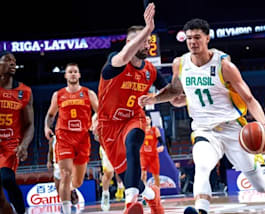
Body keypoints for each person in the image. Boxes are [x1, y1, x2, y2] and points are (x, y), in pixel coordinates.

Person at [139, 18, 265, 214]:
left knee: (261, 186)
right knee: (202, 167)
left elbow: (249, 98)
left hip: (233, 129)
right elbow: (174, 90)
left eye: (197, 37)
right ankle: (201, 211)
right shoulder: (180, 64)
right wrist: (154, 99)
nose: (192, 42)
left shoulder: (224, 66)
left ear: (207, 38)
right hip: (204, 130)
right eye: (189, 38)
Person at [96, 3, 165, 214]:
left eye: (148, 41)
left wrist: (172, 95)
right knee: (128, 174)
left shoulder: (150, 71)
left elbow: (169, 93)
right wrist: (148, 28)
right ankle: (151, 196)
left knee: (133, 142)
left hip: (134, 118)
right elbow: (125, 56)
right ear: (130, 42)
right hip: (108, 126)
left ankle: (130, 203)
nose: (147, 45)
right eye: (144, 41)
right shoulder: (115, 61)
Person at [44, 62, 98, 214]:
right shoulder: (58, 94)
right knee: (65, 174)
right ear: (66, 75)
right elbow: (50, 114)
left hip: (82, 138)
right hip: (64, 137)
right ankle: (66, 210)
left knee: (77, 181)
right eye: (70, 72)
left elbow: (100, 111)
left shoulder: (88, 93)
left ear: (79, 75)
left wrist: (95, 121)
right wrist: (47, 127)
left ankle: (73, 189)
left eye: (75, 71)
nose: (73, 74)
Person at [0, 52, 34, 214]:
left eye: (14, 61)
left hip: (10, 146)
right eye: (7, 60)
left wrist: (24, 145)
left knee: (6, 179)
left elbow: (29, 124)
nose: (12, 64)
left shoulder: (24, 91)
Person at [140, 115, 165, 188]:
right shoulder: (141, 130)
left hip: (153, 155)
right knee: (143, 173)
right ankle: (144, 191)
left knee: (156, 175)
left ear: (150, 120)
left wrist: (162, 146)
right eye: (145, 119)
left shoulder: (154, 129)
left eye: (148, 119)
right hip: (143, 154)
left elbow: (161, 140)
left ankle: (157, 191)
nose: (146, 120)